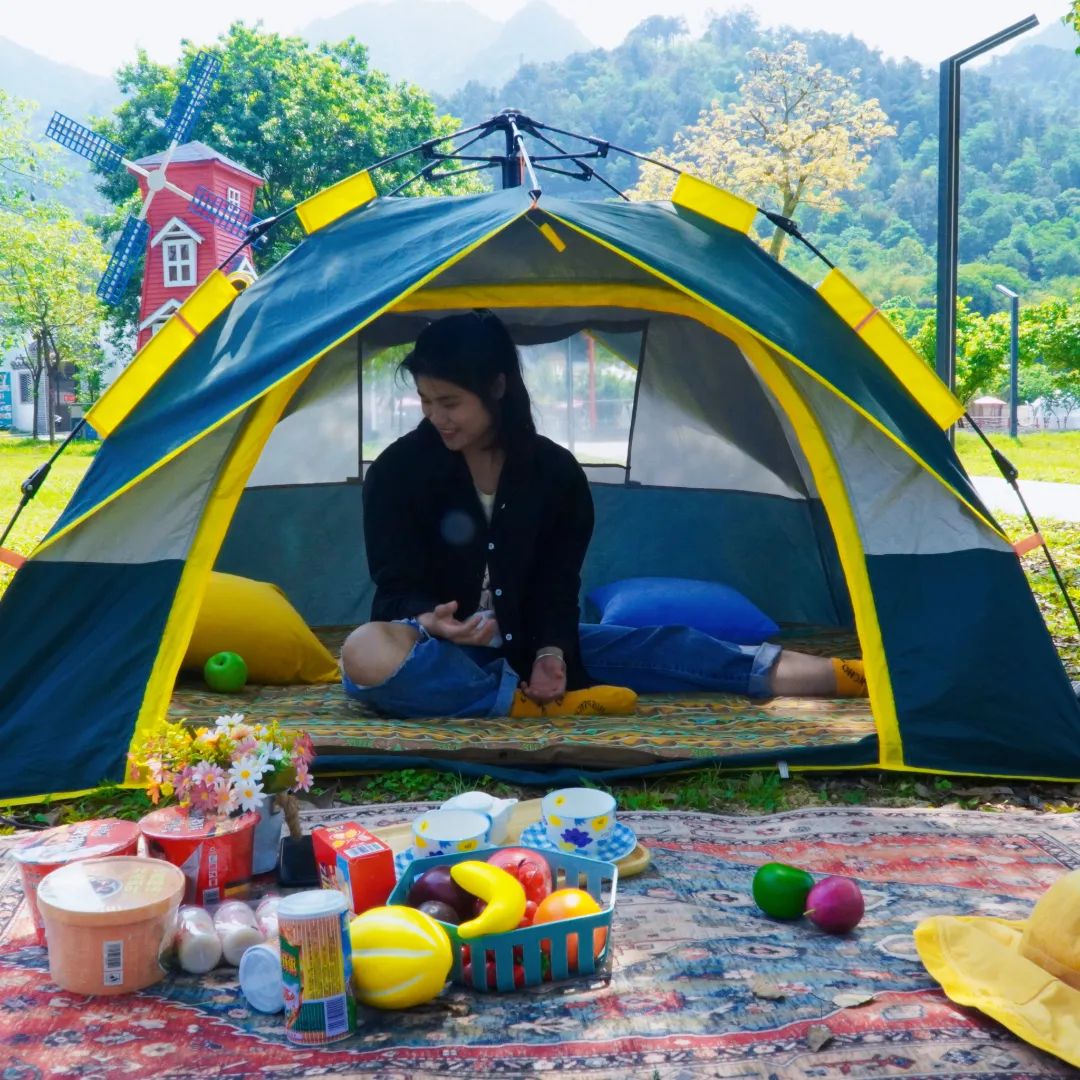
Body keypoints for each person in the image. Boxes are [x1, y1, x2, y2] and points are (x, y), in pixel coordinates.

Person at [341, 311, 867, 718]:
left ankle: (854, 675)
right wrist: (430, 618)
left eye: (450, 402)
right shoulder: (397, 472)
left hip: (522, 642)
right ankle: (515, 703)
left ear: (497, 388)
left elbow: (555, 588)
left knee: (671, 644)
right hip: (436, 656)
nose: (436, 418)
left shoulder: (555, 474)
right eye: (426, 401)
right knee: (363, 653)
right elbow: (393, 589)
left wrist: (552, 654)